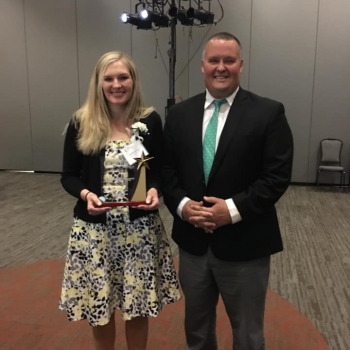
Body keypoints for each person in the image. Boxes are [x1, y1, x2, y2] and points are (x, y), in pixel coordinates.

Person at [162, 32, 294, 350]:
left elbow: (275, 177)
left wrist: (231, 211)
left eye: (229, 60)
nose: (221, 67)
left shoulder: (268, 113)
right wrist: (182, 207)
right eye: (214, 60)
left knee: (248, 335)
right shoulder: (179, 115)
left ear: (241, 65)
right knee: (197, 332)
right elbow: (166, 173)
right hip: (193, 246)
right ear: (202, 66)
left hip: (246, 244)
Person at [59, 51, 181, 350]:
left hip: (138, 231)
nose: (117, 84)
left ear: (133, 81)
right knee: (100, 308)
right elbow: (69, 176)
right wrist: (86, 195)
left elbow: (152, 169)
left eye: (123, 77)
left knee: (136, 305)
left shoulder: (148, 120)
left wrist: (154, 190)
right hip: (95, 233)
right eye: (109, 78)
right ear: (99, 83)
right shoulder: (81, 121)